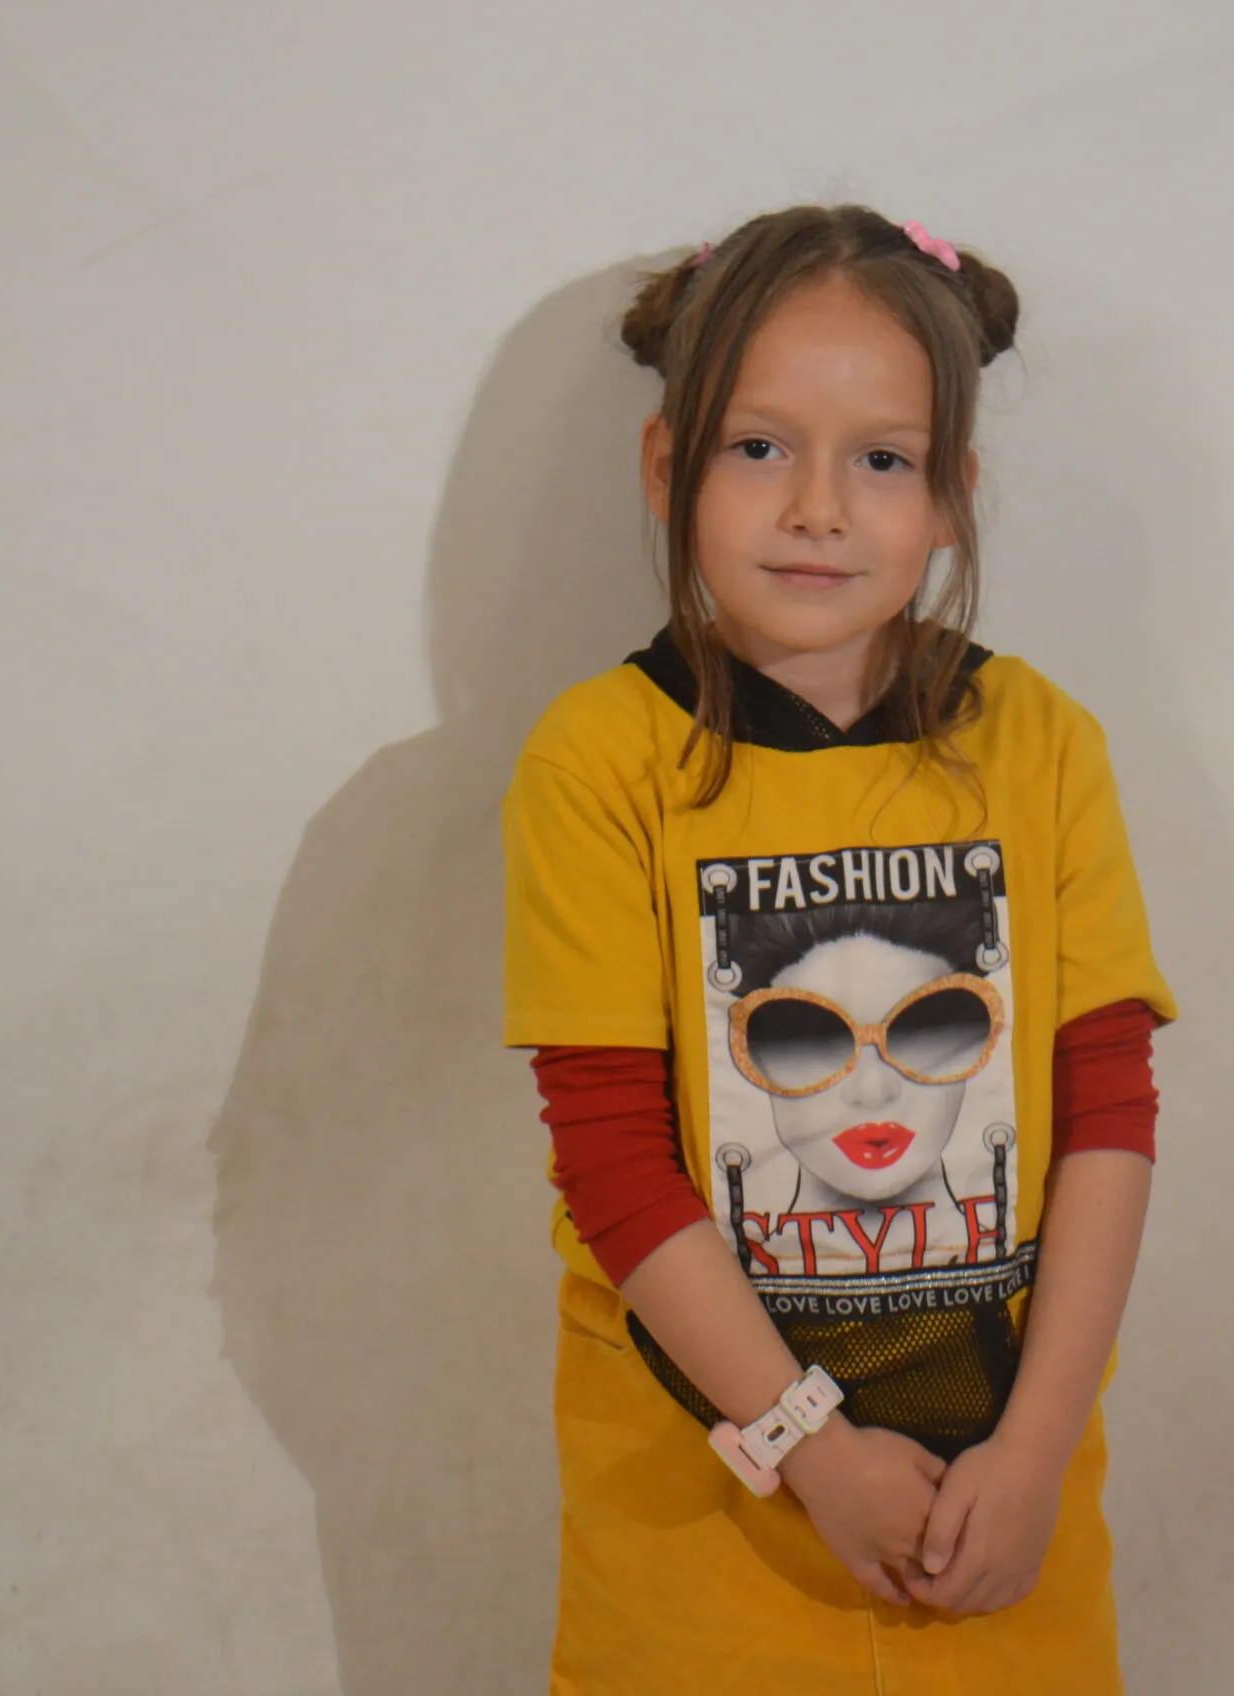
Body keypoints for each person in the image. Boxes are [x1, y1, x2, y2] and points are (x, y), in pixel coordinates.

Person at [500, 203, 1179, 1693]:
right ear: (668, 467)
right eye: (759, 448)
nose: (818, 508)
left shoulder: (1043, 746)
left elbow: (1108, 1115)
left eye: (882, 459)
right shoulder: (600, 760)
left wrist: (1038, 1449)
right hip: (702, 1523)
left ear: (951, 499)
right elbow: (610, 1155)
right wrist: (809, 1446)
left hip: (997, 1507)